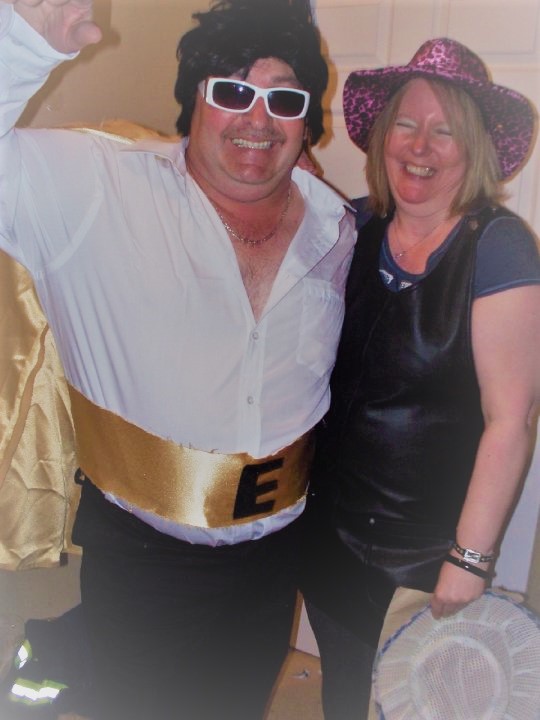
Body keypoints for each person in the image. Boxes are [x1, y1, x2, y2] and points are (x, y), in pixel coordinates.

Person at [0, 1, 356, 718]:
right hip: (145, 558)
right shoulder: (95, 188)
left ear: (306, 121)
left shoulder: (334, 223)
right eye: (231, 91)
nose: (258, 120)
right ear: (193, 98)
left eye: (284, 100)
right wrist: (22, 44)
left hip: (275, 554)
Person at [300, 37, 540, 719]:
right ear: (382, 138)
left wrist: (468, 562)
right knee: (344, 692)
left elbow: (511, 419)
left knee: (419, 705)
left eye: (445, 130)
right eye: (405, 124)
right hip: (332, 535)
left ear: (474, 149)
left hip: (426, 553)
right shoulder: (354, 224)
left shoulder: (498, 245)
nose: (420, 145)